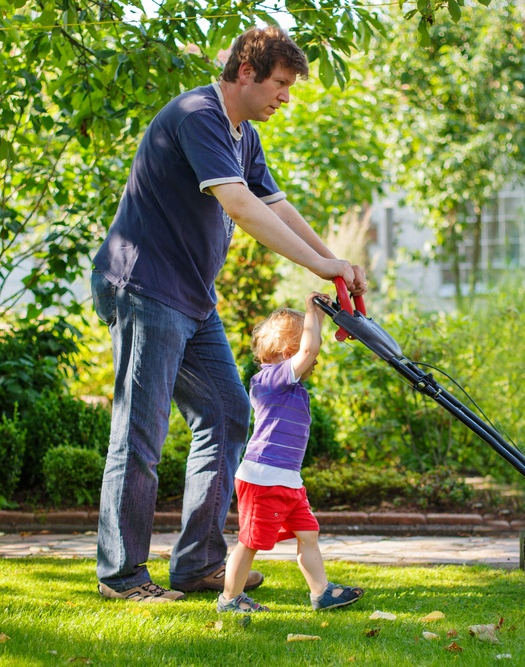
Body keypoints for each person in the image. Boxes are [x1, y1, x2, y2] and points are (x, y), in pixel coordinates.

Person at [90, 25, 366, 602]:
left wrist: (333, 263)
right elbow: (239, 205)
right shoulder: (198, 115)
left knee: (227, 413)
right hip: (144, 286)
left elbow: (275, 203)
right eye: (281, 84)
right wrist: (321, 266)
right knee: (141, 430)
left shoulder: (244, 135)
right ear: (247, 72)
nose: (286, 97)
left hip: (191, 296)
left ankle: (197, 565)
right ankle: (122, 576)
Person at [218, 293, 364, 613]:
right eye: (307, 356)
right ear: (289, 353)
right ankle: (229, 599)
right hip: (263, 479)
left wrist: (321, 316)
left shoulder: (290, 386)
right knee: (250, 541)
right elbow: (310, 348)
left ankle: (321, 592)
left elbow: (311, 345)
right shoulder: (271, 379)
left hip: (288, 481)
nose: (314, 359)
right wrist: (312, 311)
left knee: (308, 534)